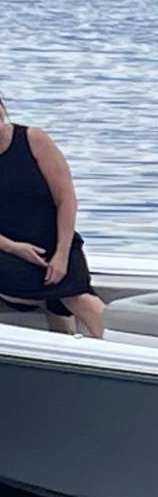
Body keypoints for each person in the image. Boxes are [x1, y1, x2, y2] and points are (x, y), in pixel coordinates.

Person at [0, 91, 104, 338]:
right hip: (7, 248)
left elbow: (65, 197)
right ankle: (56, 335)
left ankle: (127, 350)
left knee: (78, 296)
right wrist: (14, 247)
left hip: (54, 240)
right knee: (60, 294)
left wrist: (61, 253)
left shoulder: (33, 139)